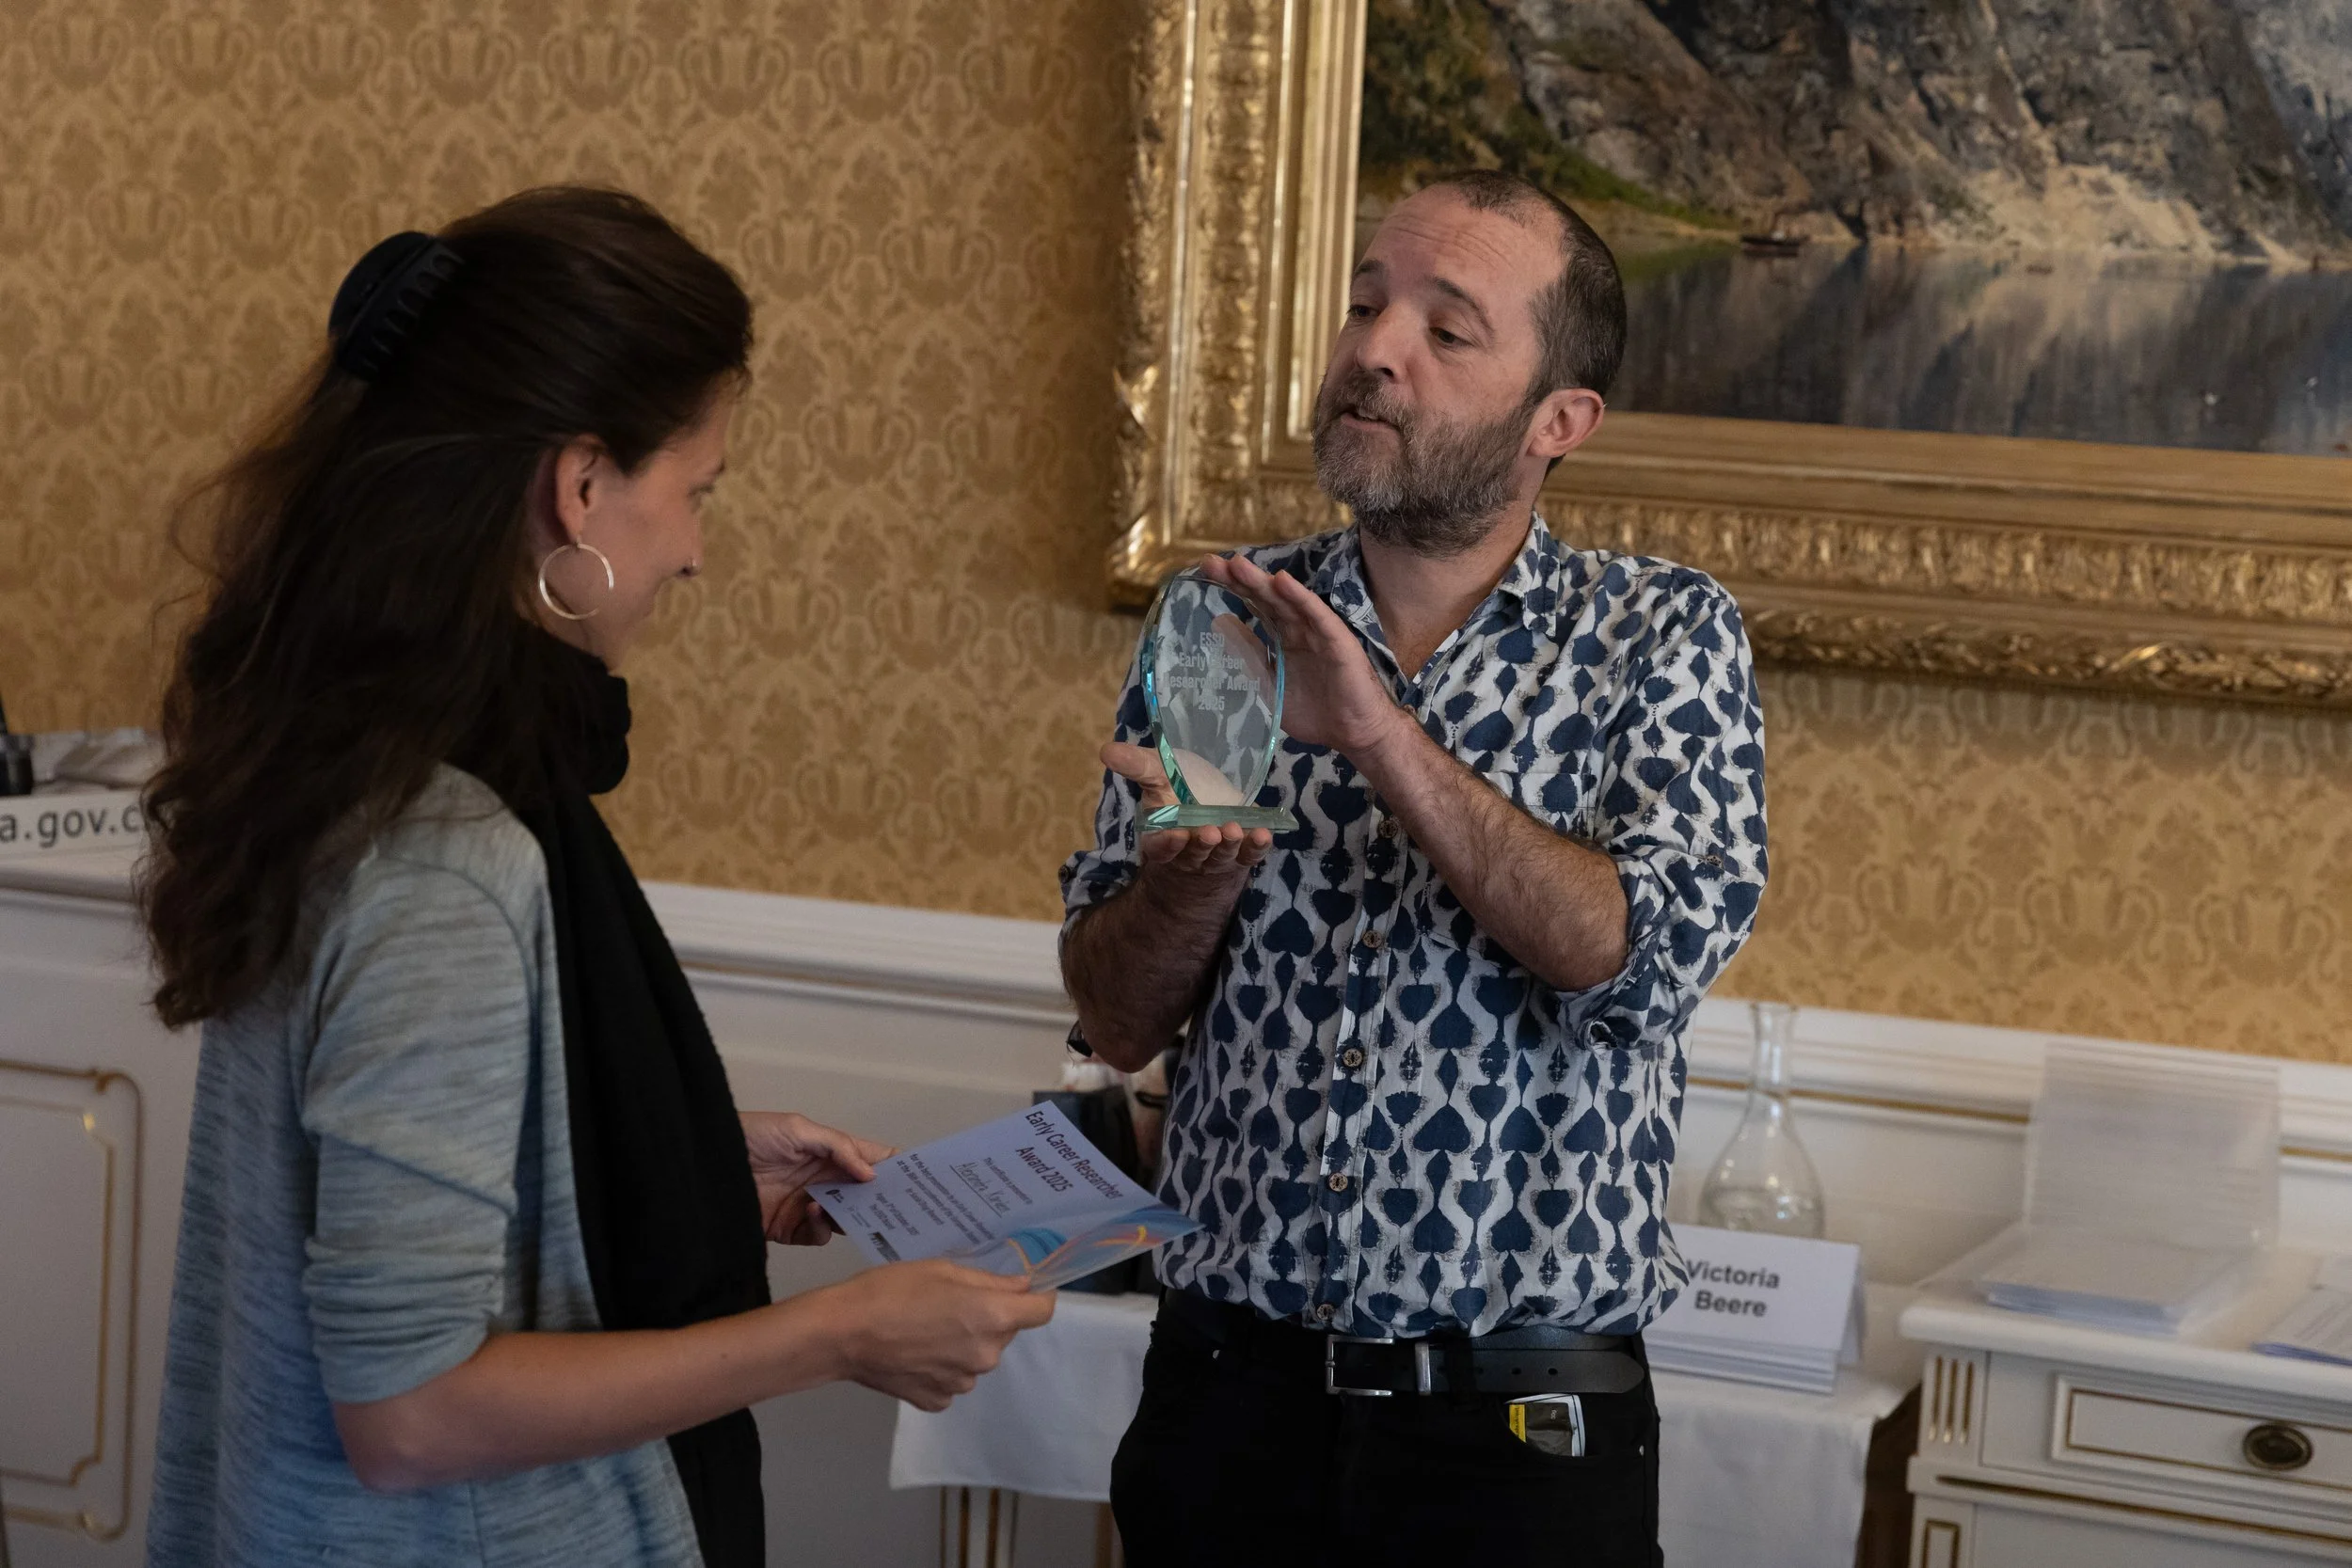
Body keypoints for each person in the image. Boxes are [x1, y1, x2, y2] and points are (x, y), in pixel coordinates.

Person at [139, 186, 1054, 1568]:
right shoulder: (444, 852)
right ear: (579, 488)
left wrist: (679, 1159)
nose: (694, 547)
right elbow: (410, 1408)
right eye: (696, 490)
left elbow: (388, 1149)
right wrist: (836, 1334)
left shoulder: (353, 751)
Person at [1060, 169, 1768, 1566]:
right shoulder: (1223, 620)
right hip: (1225, 1410)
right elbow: (1117, 1017)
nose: (1374, 349)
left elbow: (1634, 961)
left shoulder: (1662, 637)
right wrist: (1188, 885)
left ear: (1557, 422)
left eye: (1449, 330)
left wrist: (1377, 733)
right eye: (1366, 305)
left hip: (1518, 1438)